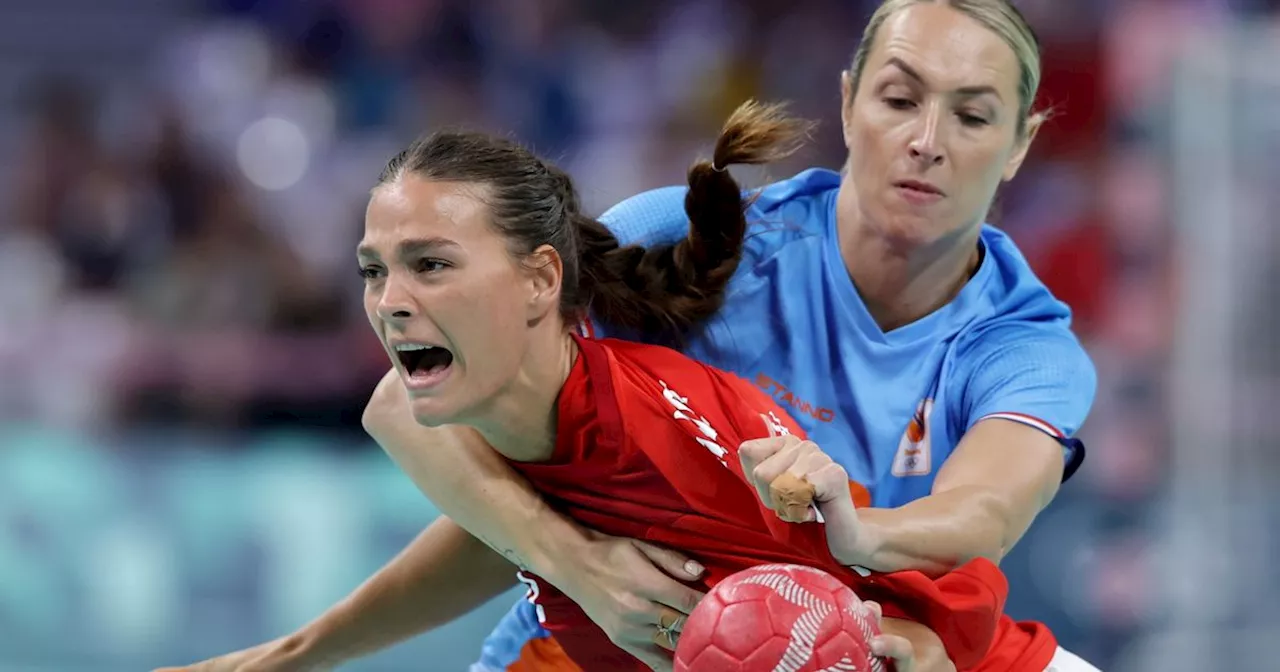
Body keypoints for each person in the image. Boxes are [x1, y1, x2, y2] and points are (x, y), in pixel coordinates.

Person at [160, 1, 1099, 671]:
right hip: (589, 646)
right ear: (850, 102)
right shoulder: (691, 239)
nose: (928, 139)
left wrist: (857, 538)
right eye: (900, 99)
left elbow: (983, 516)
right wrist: (579, 563)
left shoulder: (1021, 347)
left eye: (973, 115)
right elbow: (417, 407)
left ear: (1021, 143)